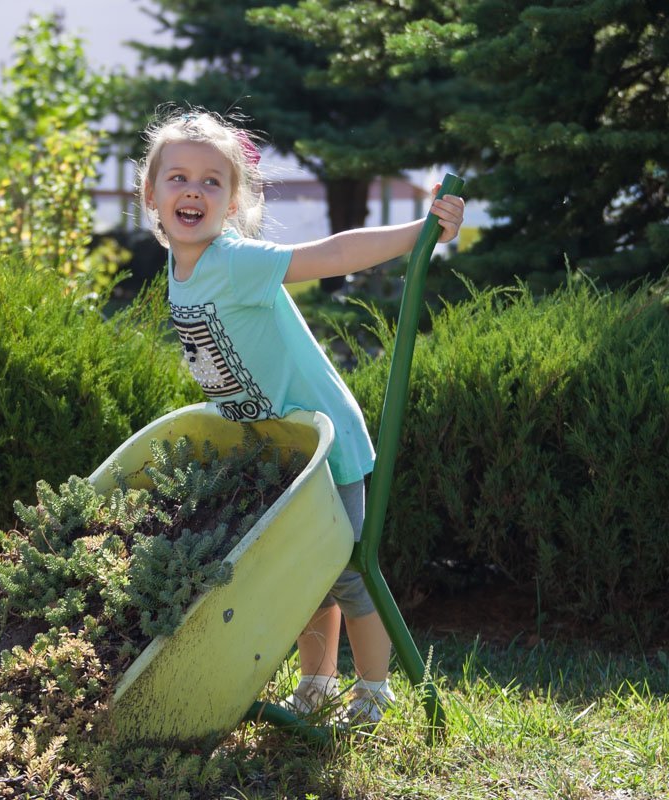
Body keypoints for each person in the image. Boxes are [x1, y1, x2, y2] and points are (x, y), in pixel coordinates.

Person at [136, 109, 465, 728]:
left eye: (212, 181)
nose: (193, 190)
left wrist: (421, 232)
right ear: (151, 194)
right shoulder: (181, 272)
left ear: (233, 202)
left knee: (347, 572)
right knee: (307, 575)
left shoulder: (234, 261)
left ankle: (374, 695)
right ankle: (316, 686)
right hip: (279, 449)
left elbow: (333, 253)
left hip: (325, 443)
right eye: (178, 177)